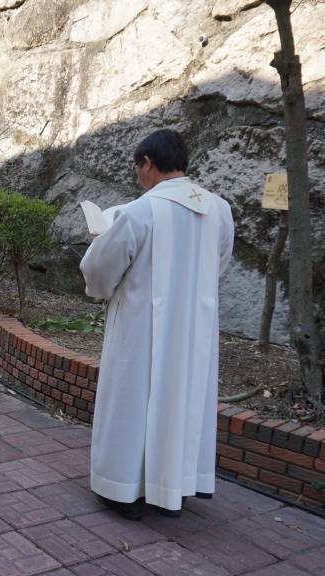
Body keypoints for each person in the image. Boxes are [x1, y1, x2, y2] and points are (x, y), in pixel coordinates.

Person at [80, 129, 234, 520]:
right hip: (193, 329)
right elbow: (219, 264)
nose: (138, 178)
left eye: (138, 169)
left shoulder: (140, 212)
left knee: (131, 402)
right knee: (182, 400)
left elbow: (99, 272)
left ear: (147, 163)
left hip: (140, 327)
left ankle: (120, 489)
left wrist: (99, 244)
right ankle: (173, 487)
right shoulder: (219, 209)